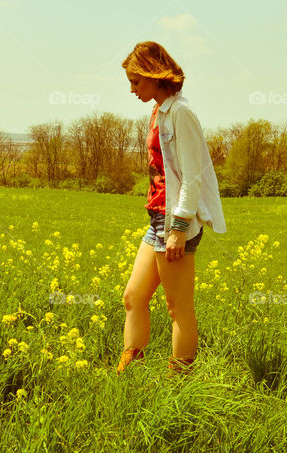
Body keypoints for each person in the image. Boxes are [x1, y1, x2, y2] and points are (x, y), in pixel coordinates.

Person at [116, 41, 227, 376]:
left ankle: (180, 382)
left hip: (175, 221)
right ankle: (128, 372)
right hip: (157, 219)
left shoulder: (181, 113)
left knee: (178, 307)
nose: (131, 88)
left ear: (154, 76)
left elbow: (193, 177)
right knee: (133, 298)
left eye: (136, 81)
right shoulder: (159, 111)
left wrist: (178, 230)